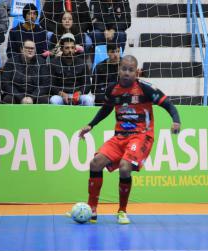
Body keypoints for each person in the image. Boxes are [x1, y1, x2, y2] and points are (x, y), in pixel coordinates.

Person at [76, 55, 181, 224]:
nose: (126, 73)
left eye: (131, 70)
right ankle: (91, 209)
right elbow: (106, 109)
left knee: (125, 167)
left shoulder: (146, 89)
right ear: (119, 69)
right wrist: (91, 125)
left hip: (141, 135)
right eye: (124, 69)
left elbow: (168, 104)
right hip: (119, 137)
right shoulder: (112, 89)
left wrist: (176, 121)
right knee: (95, 163)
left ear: (136, 72)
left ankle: (122, 211)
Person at [1, 40, 50, 104]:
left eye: (32, 48)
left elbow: (45, 84)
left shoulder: (41, 62)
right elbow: (5, 83)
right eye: (27, 48)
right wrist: (21, 97)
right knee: (8, 99)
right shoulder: (11, 62)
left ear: (35, 50)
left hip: (35, 95)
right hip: (16, 95)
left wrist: (32, 97)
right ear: (21, 49)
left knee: (44, 100)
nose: (30, 50)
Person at [49, 34, 93, 105]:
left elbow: (87, 84)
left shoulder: (82, 63)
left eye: (72, 48)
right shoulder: (54, 63)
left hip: (78, 95)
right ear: (61, 49)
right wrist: (61, 93)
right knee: (54, 100)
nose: (70, 50)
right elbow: (50, 84)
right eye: (67, 48)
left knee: (88, 99)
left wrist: (79, 93)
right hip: (60, 95)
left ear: (75, 49)